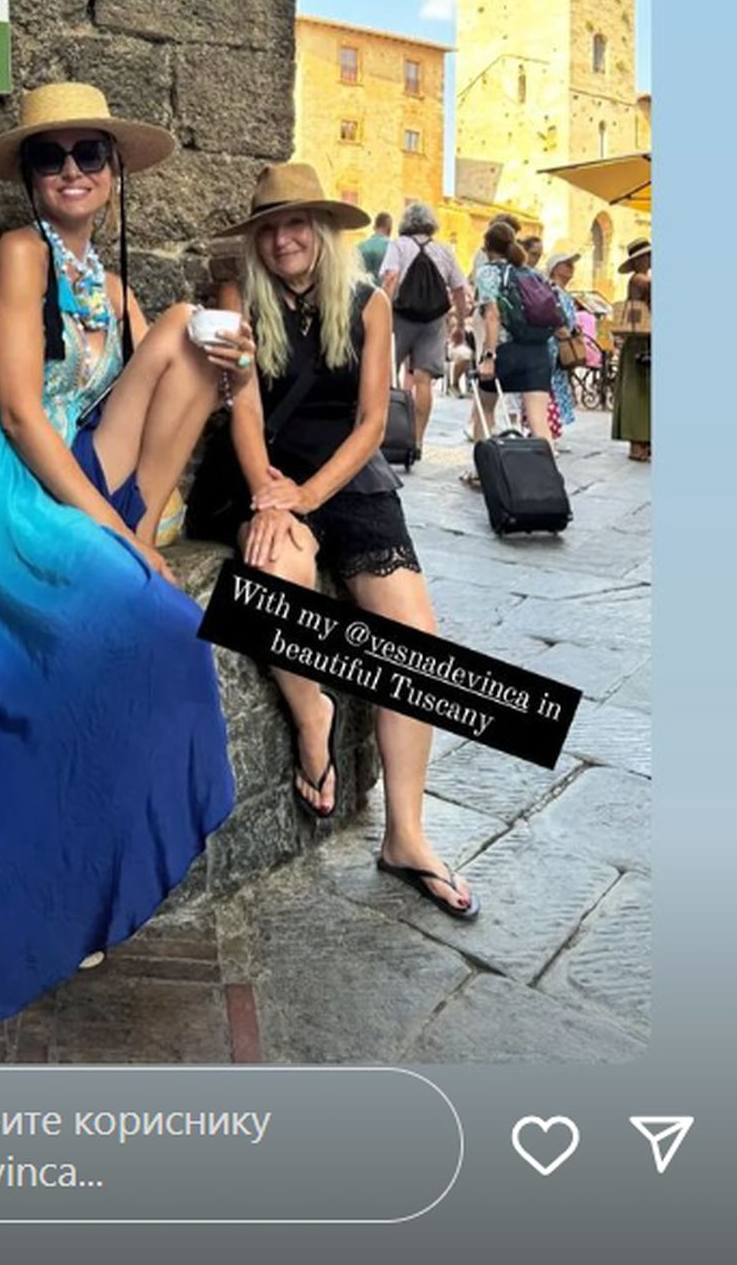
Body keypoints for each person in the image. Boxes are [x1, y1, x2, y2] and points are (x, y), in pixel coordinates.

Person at [0, 82, 248, 1029]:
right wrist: (109, 533)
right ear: (30, 177)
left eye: (89, 154)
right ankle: (70, 871)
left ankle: (132, 543)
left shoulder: (107, 283)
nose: (71, 170)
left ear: (113, 175)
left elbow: (175, 386)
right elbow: (22, 414)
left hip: (65, 467)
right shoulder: (19, 253)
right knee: (163, 624)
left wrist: (235, 385)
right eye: (50, 156)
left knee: (196, 333)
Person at [215, 163, 479, 920]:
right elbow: (241, 409)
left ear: (324, 230)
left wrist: (311, 494)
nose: (283, 240)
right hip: (267, 473)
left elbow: (370, 424)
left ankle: (406, 835)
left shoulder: (370, 302)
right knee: (274, 574)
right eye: (269, 228)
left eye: (297, 224)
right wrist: (272, 495)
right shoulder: (237, 299)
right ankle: (314, 714)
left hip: (349, 480)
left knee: (415, 639)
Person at [466, 221, 554, 482]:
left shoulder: (488, 272)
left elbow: (492, 315)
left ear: (486, 246)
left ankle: (482, 472)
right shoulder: (530, 273)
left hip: (506, 350)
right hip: (538, 352)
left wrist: (489, 356)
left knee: (485, 408)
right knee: (538, 421)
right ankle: (549, 480)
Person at [380, 202, 469, 460]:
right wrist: (460, 323)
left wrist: (381, 315)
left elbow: (390, 279)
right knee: (423, 380)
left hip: (400, 318)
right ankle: (417, 439)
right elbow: (459, 289)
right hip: (433, 321)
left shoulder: (398, 246)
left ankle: (385, 434)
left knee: (385, 376)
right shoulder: (443, 251)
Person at [611, 239, 652, 461]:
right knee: (638, 393)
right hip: (639, 342)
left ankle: (643, 442)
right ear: (638, 260)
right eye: (647, 256)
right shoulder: (639, 279)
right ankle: (638, 443)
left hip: (641, 341)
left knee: (642, 393)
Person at [545, 252, 582, 445]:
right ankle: (548, 431)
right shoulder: (552, 291)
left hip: (562, 347)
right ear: (555, 268)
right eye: (566, 264)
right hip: (554, 346)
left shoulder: (563, 293)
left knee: (558, 386)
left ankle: (554, 430)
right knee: (551, 387)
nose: (571, 268)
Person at [357, 211, 392, 284]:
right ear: (389, 229)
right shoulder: (393, 248)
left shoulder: (360, 247)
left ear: (374, 227)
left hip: (364, 289)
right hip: (385, 290)